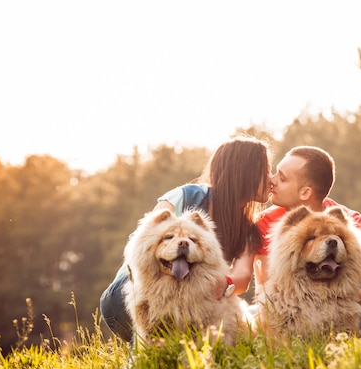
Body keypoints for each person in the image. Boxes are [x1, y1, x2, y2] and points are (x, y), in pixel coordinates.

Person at [100, 136, 272, 343]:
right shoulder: (187, 196)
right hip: (130, 294)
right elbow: (144, 239)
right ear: (246, 173)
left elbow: (242, 278)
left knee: (233, 315)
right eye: (267, 171)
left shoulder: (247, 228)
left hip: (190, 305)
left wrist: (221, 283)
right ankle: (144, 360)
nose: (271, 178)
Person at [253, 146, 361, 335]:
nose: (272, 181)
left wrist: (338, 299)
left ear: (305, 193)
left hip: (342, 315)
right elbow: (271, 289)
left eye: (282, 178)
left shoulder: (350, 223)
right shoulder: (265, 223)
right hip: (290, 316)